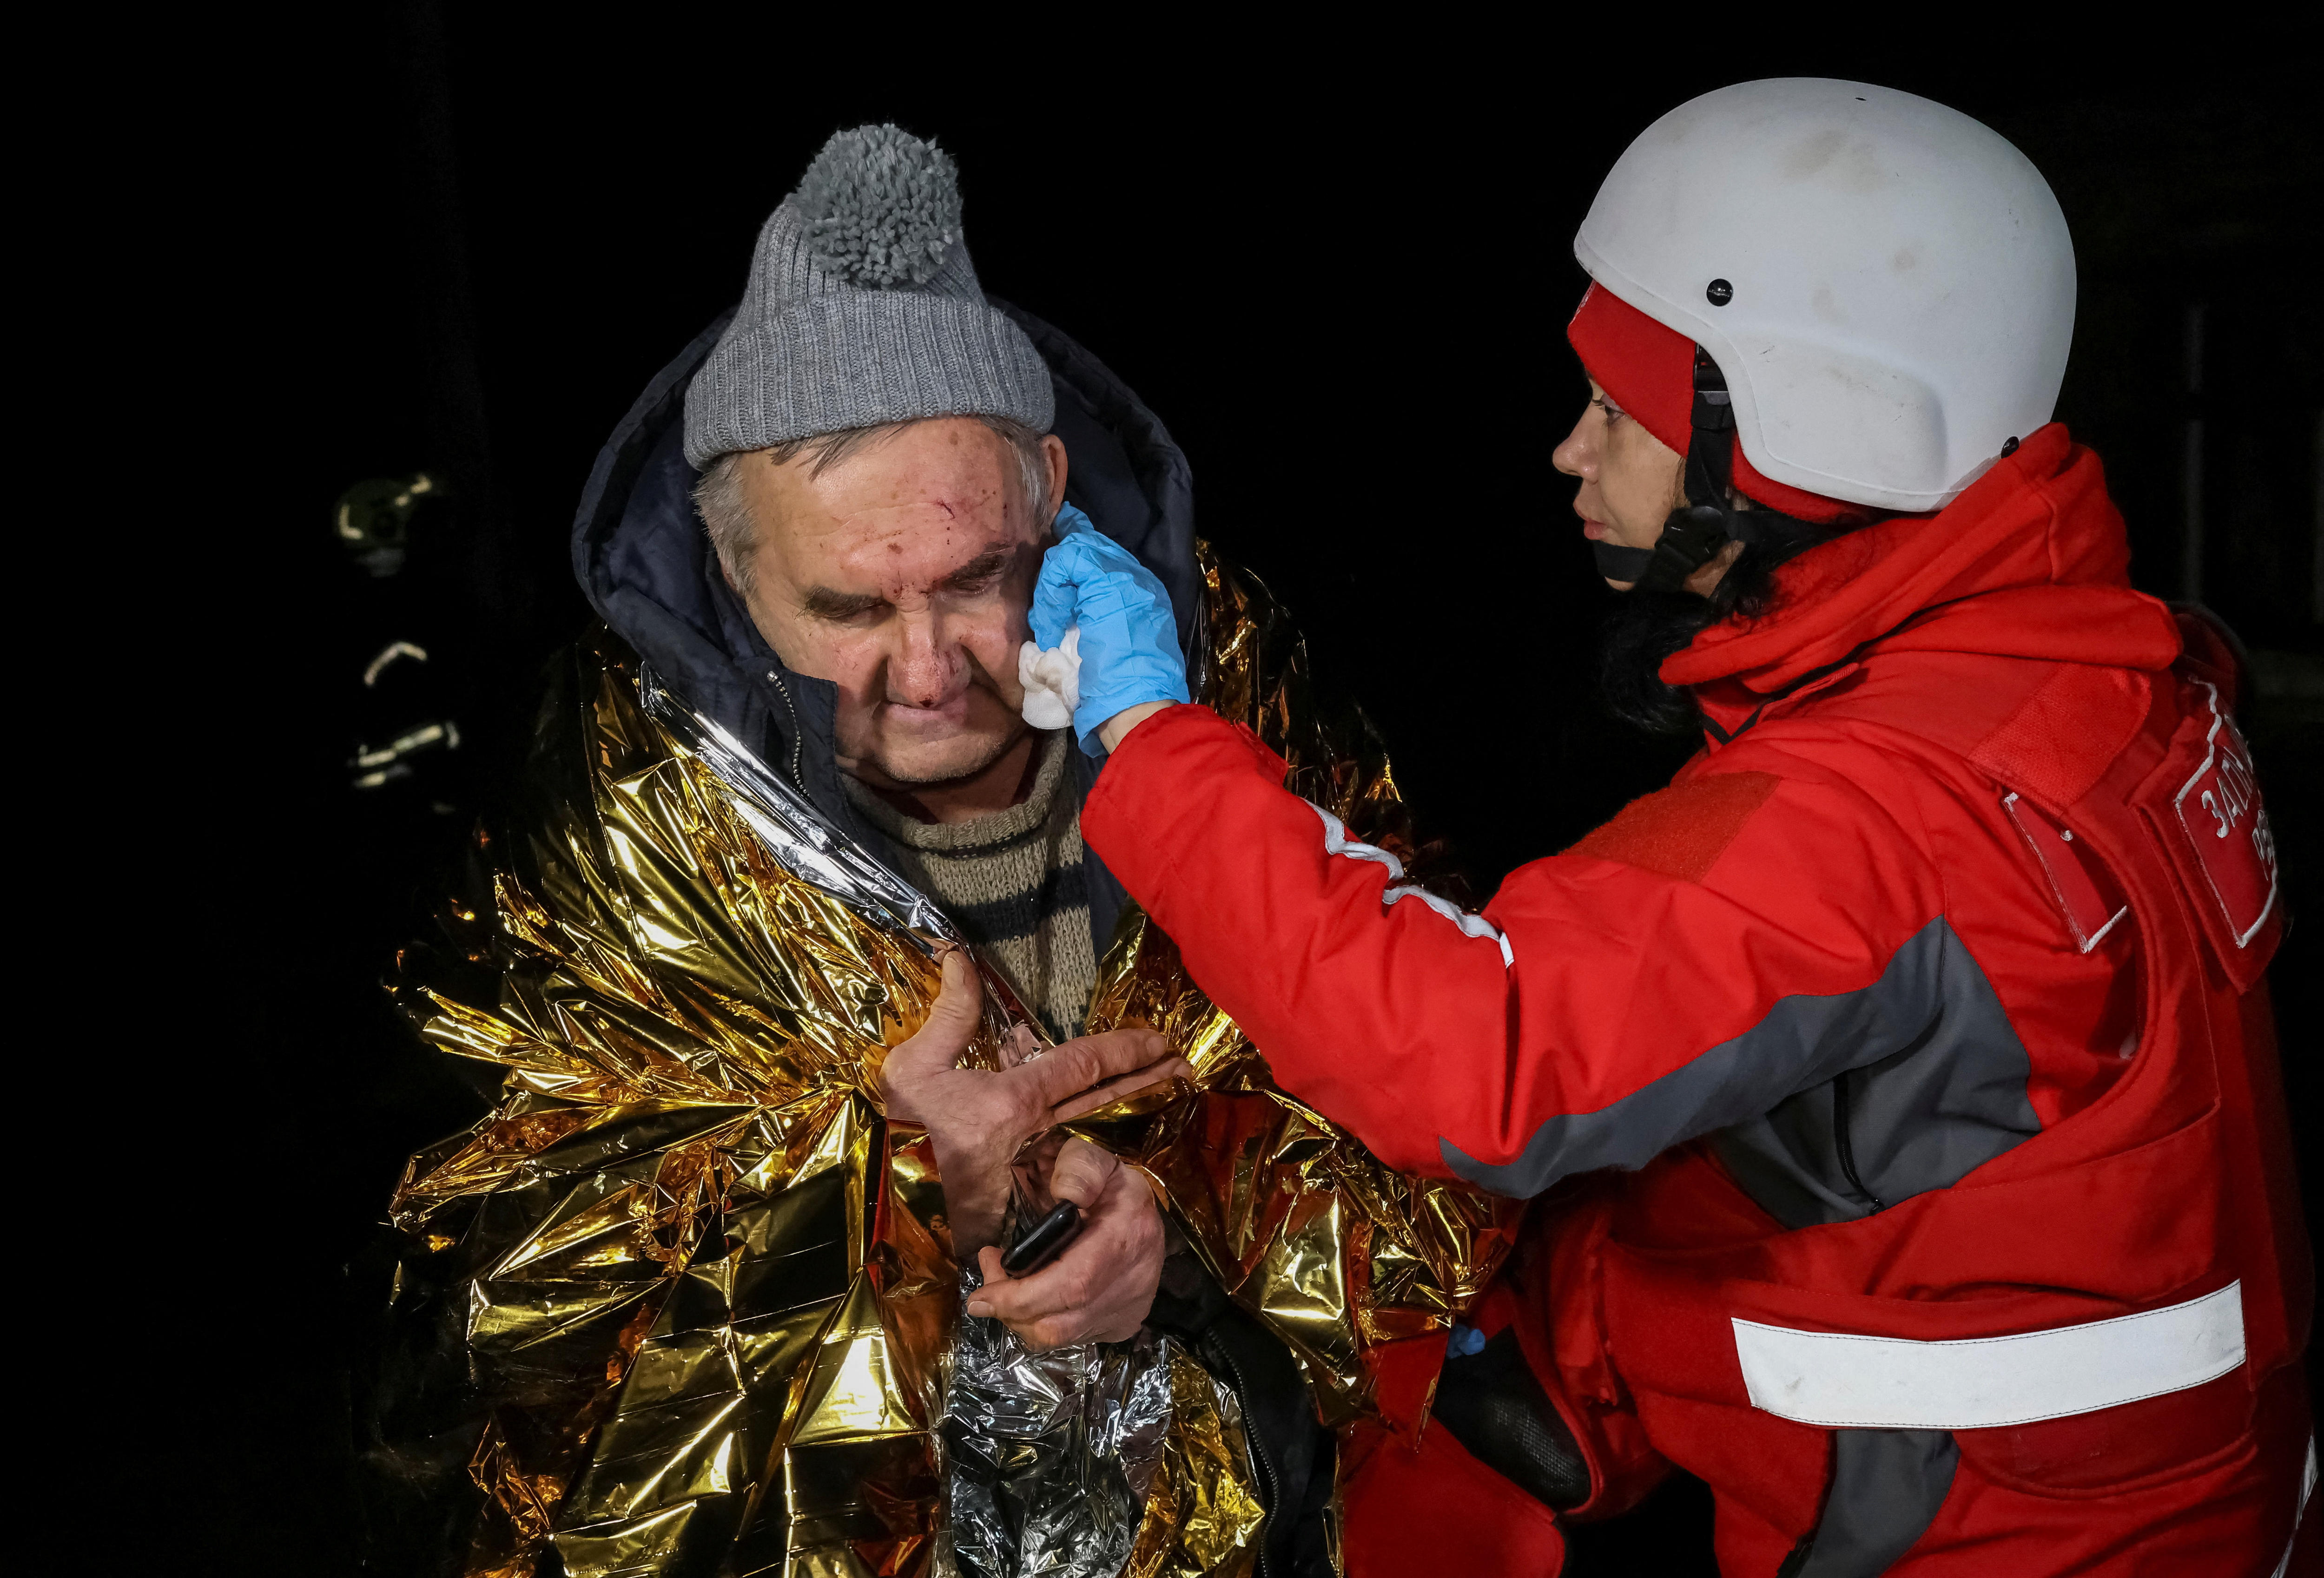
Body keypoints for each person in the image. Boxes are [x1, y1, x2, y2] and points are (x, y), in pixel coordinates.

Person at [1033, 80, 2316, 1573]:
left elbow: (1473, 1053)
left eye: (1619, 410)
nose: (1570, 452)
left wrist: (1149, 735)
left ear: (1795, 430)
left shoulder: (1877, 812)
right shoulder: (2092, 673)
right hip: (2185, 1505)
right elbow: (1857, 1135)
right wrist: (1575, 1362)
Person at [362, 124, 1508, 1578]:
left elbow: (1436, 1061)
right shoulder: (614, 803)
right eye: (849, 608)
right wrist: (913, 1197)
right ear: (731, 563)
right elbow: (516, 1334)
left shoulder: (1211, 676)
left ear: (1049, 486)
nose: (928, 674)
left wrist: (1175, 1228)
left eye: (978, 580)